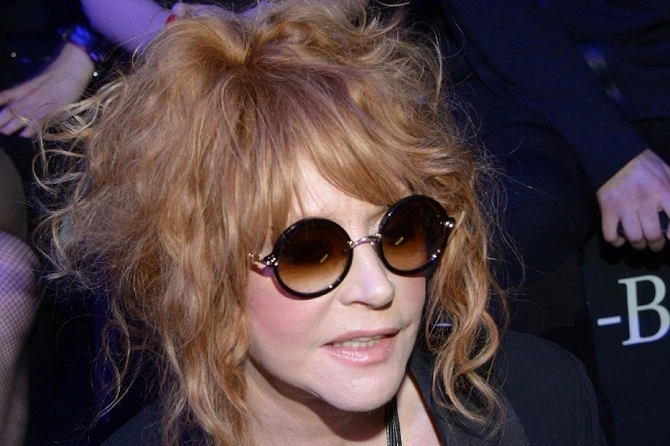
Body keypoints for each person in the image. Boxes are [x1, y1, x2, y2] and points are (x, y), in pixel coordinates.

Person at [39, 2, 605, 445]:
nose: (378, 288)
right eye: (311, 252)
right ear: (201, 272)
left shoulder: (544, 400)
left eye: (401, 232)